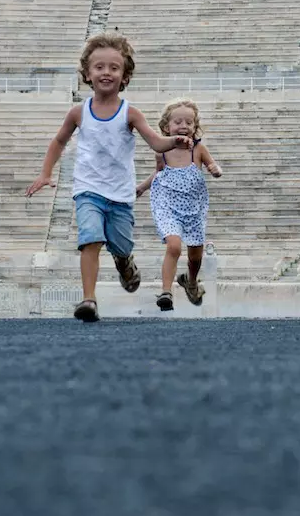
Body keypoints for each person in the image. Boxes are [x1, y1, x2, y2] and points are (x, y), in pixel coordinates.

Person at [25, 34, 184, 323]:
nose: (106, 72)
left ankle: (124, 262)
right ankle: (89, 299)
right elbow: (58, 142)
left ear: (124, 76)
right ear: (88, 73)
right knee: (90, 239)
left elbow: (156, 142)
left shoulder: (130, 113)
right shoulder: (78, 112)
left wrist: (175, 142)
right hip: (88, 189)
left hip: (120, 194)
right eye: (99, 67)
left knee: (121, 245)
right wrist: (46, 173)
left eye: (114, 68)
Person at [135, 99, 221, 311]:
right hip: (168, 205)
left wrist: (215, 169)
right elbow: (159, 173)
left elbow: (211, 164)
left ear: (195, 126)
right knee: (173, 246)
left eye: (189, 122)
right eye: (178, 121)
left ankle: (190, 281)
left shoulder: (198, 149)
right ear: (166, 127)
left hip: (193, 208)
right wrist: (142, 188)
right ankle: (166, 292)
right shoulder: (162, 151)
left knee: (195, 256)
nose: (184, 125)